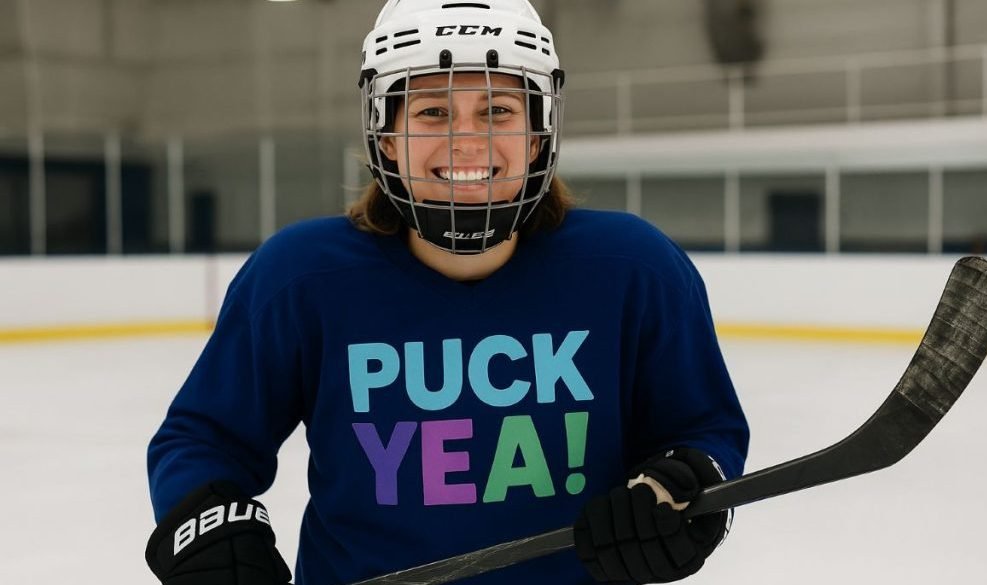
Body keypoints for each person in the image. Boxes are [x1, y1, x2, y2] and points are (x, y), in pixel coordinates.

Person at [144, 1, 749, 584]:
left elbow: (701, 429)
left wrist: (677, 491)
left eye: (499, 111)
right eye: (433, 112)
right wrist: (208, 526)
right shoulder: (301, 278)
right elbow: (204, 437)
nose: (469, 141)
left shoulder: (633, 268)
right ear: (385, 135)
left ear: (538, 134)